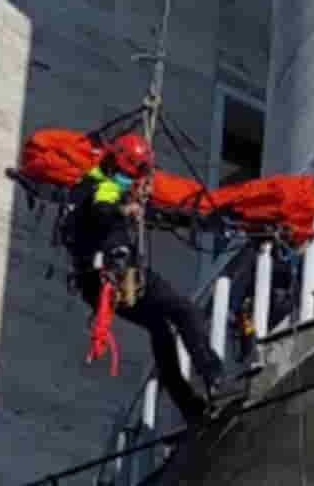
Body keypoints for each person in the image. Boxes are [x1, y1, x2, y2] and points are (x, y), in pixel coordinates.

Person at [63, 133, 228, 426]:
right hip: (117, 276)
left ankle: (189, 405)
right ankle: (214, 376)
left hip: (97, 283)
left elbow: (155, 215)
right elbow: (104, 209)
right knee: (184, 310)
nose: (140, 180)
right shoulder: (105, 186)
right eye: (138, 172)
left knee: (160, 329)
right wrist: (125, 209)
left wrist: (201, 222)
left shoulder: (87, 185)